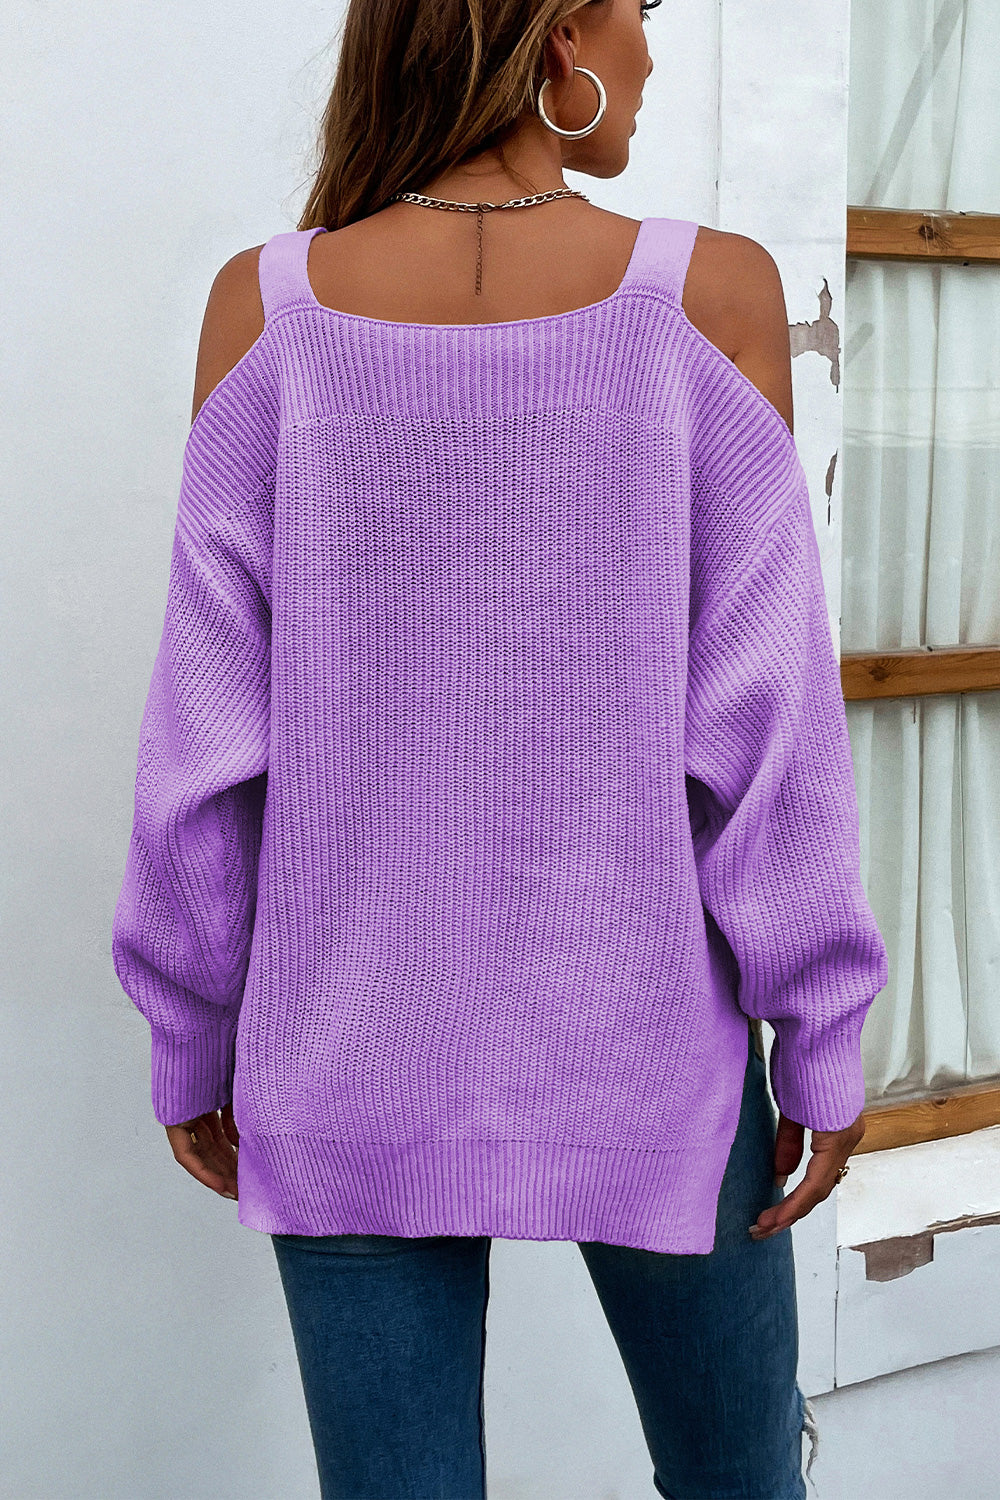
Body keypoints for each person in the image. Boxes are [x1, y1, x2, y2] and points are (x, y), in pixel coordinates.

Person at [111, 0, 888, 1495]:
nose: (654, 49)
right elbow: (770, 727)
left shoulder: (267, 310)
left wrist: (191, 1026)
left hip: (344, 1054)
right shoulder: (709, 298)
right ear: (561, 33)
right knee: (742, 1483)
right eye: (643, 9)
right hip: (651, 1055)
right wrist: (822, 1032)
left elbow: (203, 740)